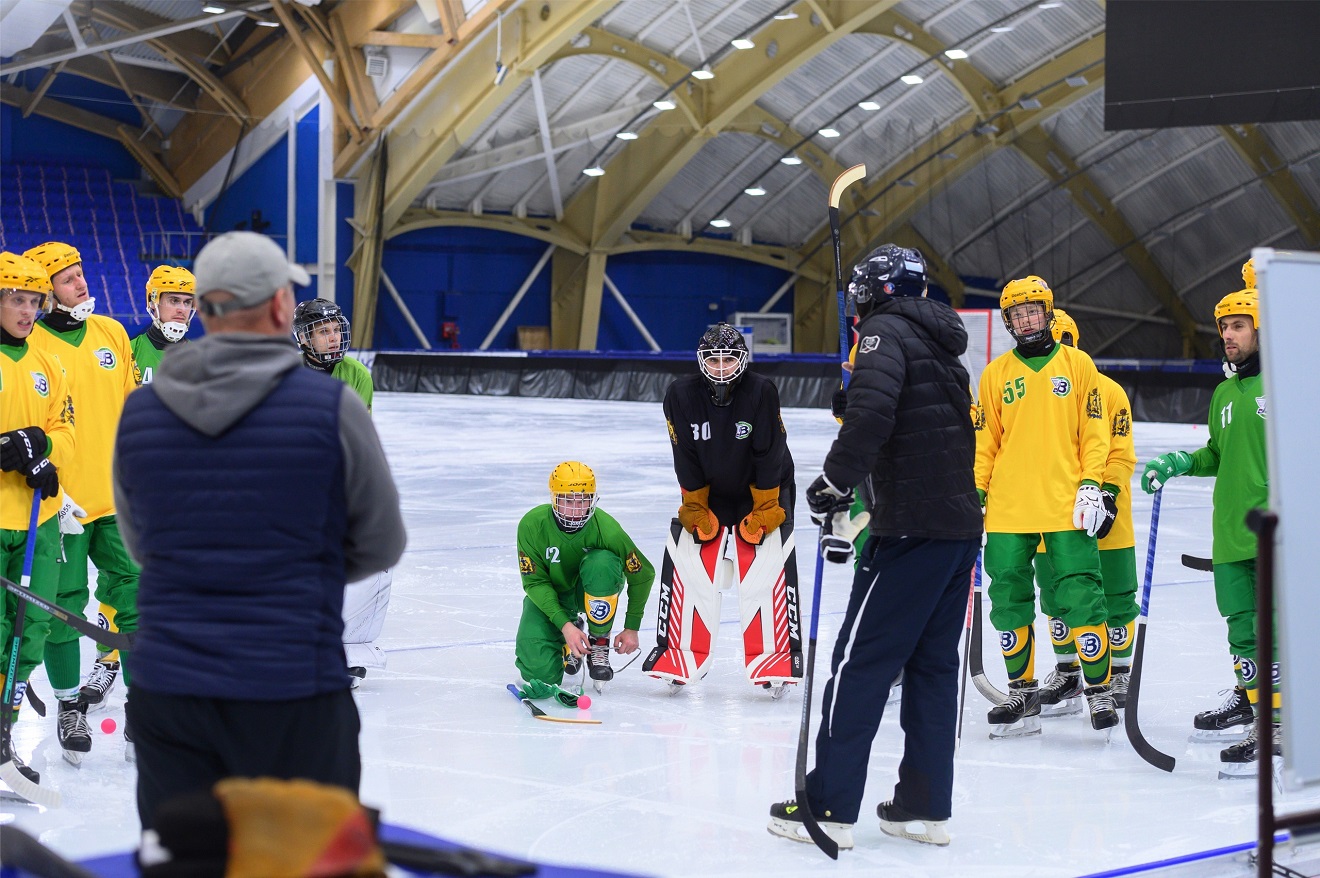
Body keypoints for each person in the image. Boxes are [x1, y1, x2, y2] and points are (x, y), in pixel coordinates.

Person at [113, 231, 406, 830]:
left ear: (207, 309)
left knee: (186, 863)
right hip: (293, 682)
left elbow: (142, 545)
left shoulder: (141, 411)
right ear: (278, 307)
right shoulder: (330, 407)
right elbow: (381, 543)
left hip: (172, 690)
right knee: (303, 856)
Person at [766, 244, 980, 850]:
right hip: (958, 531)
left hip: (909, 530)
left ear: (875, 290)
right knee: (934, 669)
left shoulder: (883, 333)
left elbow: (874, 419)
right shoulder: (937, 339)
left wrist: (834, 481)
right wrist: (855, 400)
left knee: (858, 666)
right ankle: (923, 806)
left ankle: (829, 806)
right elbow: (921, 417)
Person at [1141, 284, 1275, 777]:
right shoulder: (1223, 392)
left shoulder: (1289, 386)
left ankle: (1277, 729)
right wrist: (1180, 460)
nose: (1228, 336)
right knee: (1243, 634)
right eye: (1224, 327)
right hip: (1229, 537)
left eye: (1238, 326)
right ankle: (1260, 715)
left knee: (1274, 634)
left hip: (1273, 536)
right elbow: (1218, 455)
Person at [974, 276, 1115, 738]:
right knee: (1008, 598)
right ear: (1009, 322)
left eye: (1033, 311)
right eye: (1017, 315)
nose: (1026, 320)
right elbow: (985, 443)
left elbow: (1095, 433)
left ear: (1048, 313)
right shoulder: (995, 374)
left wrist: (1092, 483)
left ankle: (1097, 690)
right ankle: (1022, 690)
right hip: (1008, 507)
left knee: (1080, 595)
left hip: (1065, 504)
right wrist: (974, 494)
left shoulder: (1079, 365)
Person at [24, 240, 137, 765]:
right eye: (68, 279)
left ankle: (145, 706)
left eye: (80, 273)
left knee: (137, 603)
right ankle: (70, 705)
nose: (81, 283)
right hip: (61, 509)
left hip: (118, 502)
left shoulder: (112, 332)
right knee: (64, 612)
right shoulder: (35, 345)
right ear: (46, 292)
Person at [643, 323, 799, 696]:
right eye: (714, 360)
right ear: (702, 361)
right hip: (709, 491)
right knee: (691, 555)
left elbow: (771, 453)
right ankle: (677, 652)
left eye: (729, 359)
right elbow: (684, 455)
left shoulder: (761, 392)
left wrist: (766, 509)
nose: (722, 367)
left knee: (766, 564)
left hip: (763, 488)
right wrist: (694, 506)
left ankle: (776, 657)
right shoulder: (679, 396)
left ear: (742, 360)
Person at [80, 265, 199, 715]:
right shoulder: (126, 352)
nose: (182, 309)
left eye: (188, 302)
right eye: (173, 300)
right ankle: (109, 658)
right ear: (152, 303)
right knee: (120, 579)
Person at [1031, 310, 1140, 717]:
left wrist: (1107, 496)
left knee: (1115, 596)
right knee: (1057, 596)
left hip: (1106, 517)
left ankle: (1119, 672)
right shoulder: (1030, 392)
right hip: (1047, 514)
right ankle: (1068, 670)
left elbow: (1121, 453)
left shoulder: (1109, 392)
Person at [0, 252, 75, 787]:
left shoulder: (49, 364)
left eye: (33, 301)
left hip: (37, 521)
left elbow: (66, 428)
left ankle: (5, 739)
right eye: (15, 300)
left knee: (32, 628)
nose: (27, 311)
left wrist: (45, 451)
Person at [294, 297, 388, 687]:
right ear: (305, 338)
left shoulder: (357, 375)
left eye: (336, 330)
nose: (334, 338)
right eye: (324, 331)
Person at [515, 462, 654, 695]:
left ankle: (598, 642)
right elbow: (535, 582)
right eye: (568, 501)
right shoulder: (531, 525)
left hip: (590, 591)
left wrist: (632, 627)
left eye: (583, 500)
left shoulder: (607, 529)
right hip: (554, 598)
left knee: (601, 562)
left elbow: (643, 574)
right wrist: (565, 625)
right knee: (539, 675)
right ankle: (567, 639)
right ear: (554, 498)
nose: (576, 510)